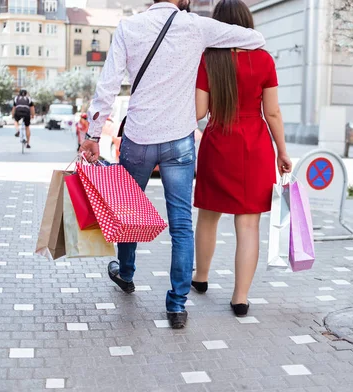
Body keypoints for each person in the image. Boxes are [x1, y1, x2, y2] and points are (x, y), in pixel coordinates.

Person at [79, 0, 265, 329]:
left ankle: (126, 273)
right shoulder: (196, 25)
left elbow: (107, 86)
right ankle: (177, 305)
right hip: (179, 140)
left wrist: (93, 135)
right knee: (181, 225)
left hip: (137, 139)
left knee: (129, 211)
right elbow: (254, 38)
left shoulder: (128, 27)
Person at [191, 0, 292, 317]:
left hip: (219, 144)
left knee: (208, 217)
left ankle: (201, 277)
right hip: (256, 147)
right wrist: (282, 152)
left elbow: (199, 112)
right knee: (248, 225)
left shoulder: (208, 60)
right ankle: (240, 297)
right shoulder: (264, 59)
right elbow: (272, 111)